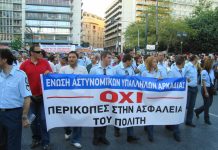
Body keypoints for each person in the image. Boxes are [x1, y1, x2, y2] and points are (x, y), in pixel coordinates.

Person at [20, 45, 52, 150]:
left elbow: (52, 76)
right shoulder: (24, 65)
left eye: (40, 52)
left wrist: (49, 73)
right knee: (32, 120)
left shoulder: (45, 63)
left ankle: (46, 141)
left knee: (43, 120)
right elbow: (20, 80)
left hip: (43, 97)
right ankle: (36, 138)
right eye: (38, 52)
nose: (40, 54)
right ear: (31, 53)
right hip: (30, 98)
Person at [0, 49, 31, 150]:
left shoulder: (20, 75)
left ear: (4, 59)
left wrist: (24, 116)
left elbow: (27, 97)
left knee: (13, 145)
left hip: (13, 114)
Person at [59, 51, 88, 149]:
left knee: (78, 119)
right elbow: (59, 83)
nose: (71, 59)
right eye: (69, 57)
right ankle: (67, 130)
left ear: (77, 58)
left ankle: (76, 139)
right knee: (65, 117)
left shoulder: (83, 69)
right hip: (66, 99)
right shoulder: (63, 69)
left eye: (73, 57)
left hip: (79, 99)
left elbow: (87, 83)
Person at [90, 51, 115, 146]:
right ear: (103, 58)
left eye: (110, 58)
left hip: (108, 98)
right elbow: (89, 83)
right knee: (97, 117)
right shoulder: (94, 70)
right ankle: (96, 137)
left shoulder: (112, 70)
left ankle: (103, 137)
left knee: (105, 116)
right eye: (109, 57)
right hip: (97, 97)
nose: (110, 59)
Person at [113, 54, 140, 143]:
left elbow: (134, 79)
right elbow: (113, 81)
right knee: (118, 113)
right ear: (127, 61)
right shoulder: (116, 68)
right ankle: (117, 129)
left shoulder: (130, 68)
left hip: (129, 95)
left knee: (129, 114)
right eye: (131, 61)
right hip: (119, 95)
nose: (132, 63)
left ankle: (130, 135)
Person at [141, 56, 161, 142]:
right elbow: (141, 84)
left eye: (156, 62)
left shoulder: (158, 72)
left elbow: (161, 84)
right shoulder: (145, 73)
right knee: (149, 113)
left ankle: (148, 127)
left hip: (155, 96)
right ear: (149, 63)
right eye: (154, 62)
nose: (155, 63)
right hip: (147, 96)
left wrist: (160, 80)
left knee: (152, 113)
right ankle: (150, 133)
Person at [166, 55, 185, 142]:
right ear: (181, 63)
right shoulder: (172, 72)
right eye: (184, 62)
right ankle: (176, 133)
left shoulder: (182, 71)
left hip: (180, 95)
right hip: (173, 96)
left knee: (173, 112)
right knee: (176, 113)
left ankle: (168, 125)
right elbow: (169, 83)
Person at [195, 58, 215, 125]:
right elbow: (203, 81)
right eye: (212, 63)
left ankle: (197, 111)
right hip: (205, 88)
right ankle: (206, 119)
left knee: (209, 103)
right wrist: (206, 91)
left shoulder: (212, 71)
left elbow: (213, 79)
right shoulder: (204, 71)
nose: (213, 64)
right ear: (209, 64)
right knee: (207, 104)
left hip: (211, 88)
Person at [184, 55, 198, 127]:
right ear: (194, 59)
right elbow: (182, 74)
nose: (197, 61)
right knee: (185, 105)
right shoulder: (187, 66)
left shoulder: (195, 67)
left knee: (191, 106)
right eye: (197, 59)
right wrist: (186, 78)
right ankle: (175, 120)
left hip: (194, 88)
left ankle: (189, 121)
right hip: (188, 88)